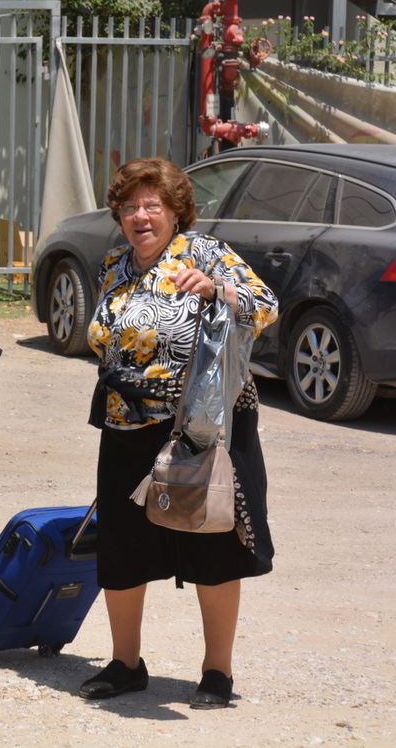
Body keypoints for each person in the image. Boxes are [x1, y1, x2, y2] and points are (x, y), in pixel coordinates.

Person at [79, 157, 277, 710]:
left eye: (152, 205)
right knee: (121, 549)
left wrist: (217, 290)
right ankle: (125, 663)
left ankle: (217, 672)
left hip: (197, 426)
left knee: (211, 545)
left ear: (174, 211)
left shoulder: (203, 252)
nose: (141, 216)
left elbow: (266, 306)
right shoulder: (115, 264)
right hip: (124, 424)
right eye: (130, 206)